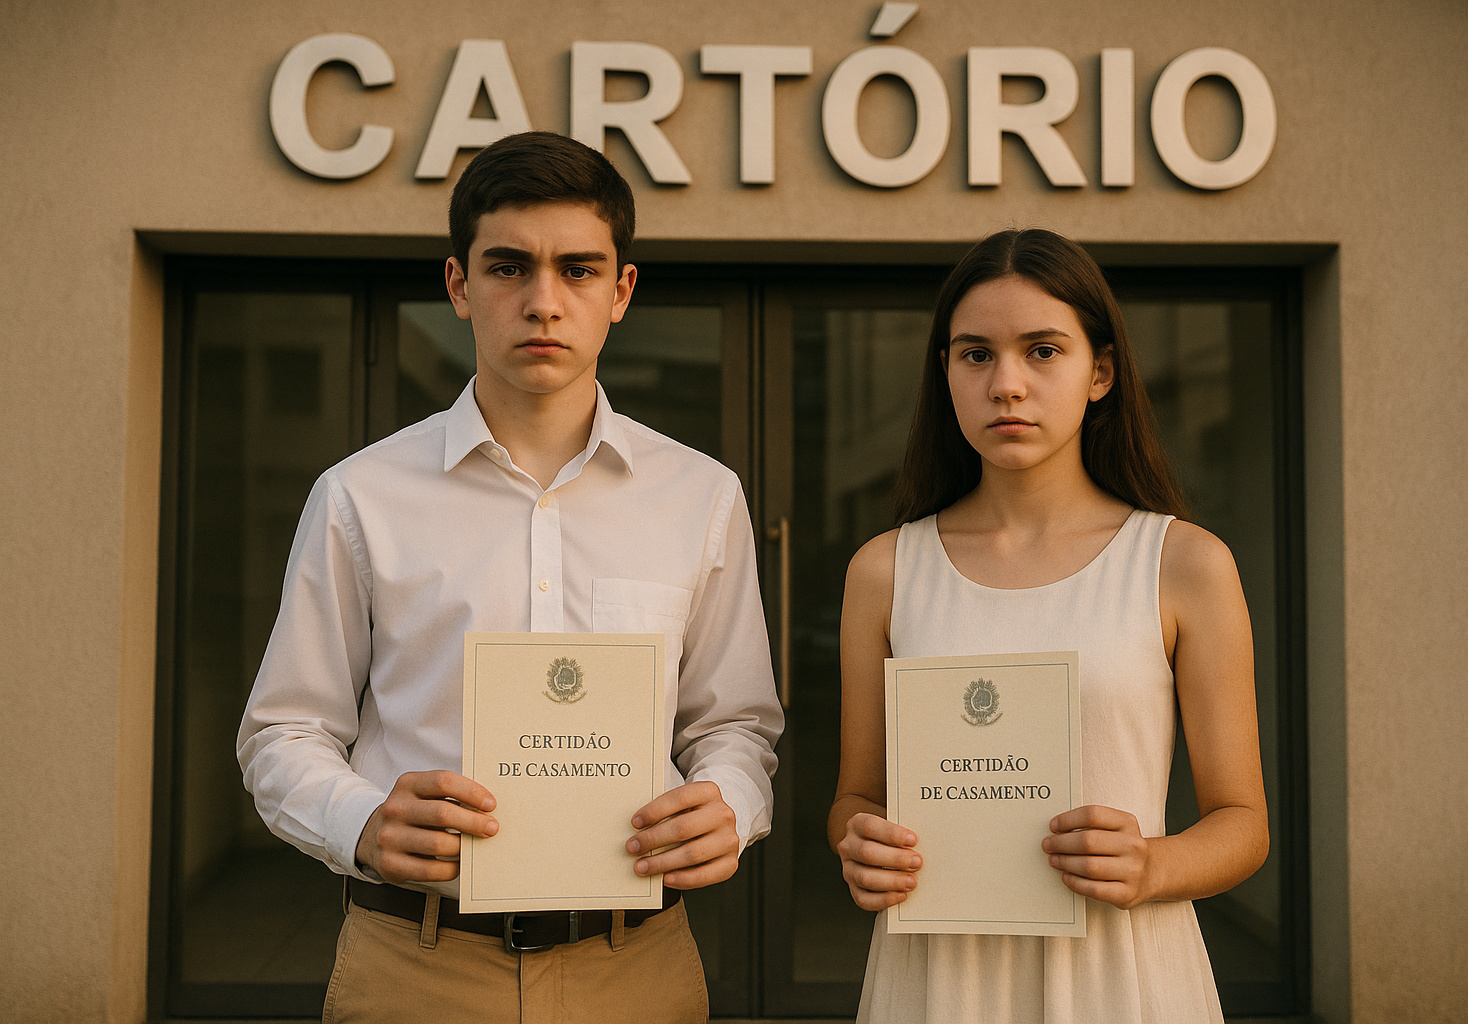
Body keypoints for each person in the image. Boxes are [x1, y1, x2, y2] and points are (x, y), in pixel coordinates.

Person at [238, 130, 783, 1024]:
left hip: (634, 966)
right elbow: (283, 732)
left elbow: (735, 724)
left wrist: (729, 802)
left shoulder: (702, 496)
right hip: (412, 966)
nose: (543, 302)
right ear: (458, 285)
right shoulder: (358, 496)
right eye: (507, 268)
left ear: (621, 291)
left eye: (577, 270)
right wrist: (363, 822)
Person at [828, 229, 1268, 1023]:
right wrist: (860, 844)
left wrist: (1152, 865)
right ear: (945, 372)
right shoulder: (884, 571)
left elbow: (1243, 823)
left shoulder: (1183, 564)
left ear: (1100, 370)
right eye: (975, 354)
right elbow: (857, 794)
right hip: (935, 979)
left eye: (1042, 351)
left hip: (1125, 976)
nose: (1006, 384)